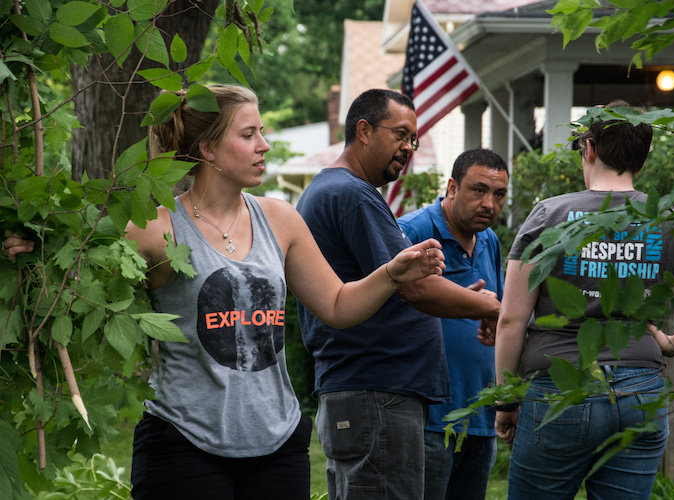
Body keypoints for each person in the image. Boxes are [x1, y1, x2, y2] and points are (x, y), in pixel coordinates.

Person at [4, 84, 447, 499]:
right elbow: (74, 283)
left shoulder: (280, 220)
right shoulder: (156, 229)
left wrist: (391, 274)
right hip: (184, 444)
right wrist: (32, 251)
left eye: (262, 133)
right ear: (208, 149)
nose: (264, 145)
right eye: (249, 134)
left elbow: (335, 304)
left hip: (277, 445)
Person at [494, 100, 674, 500]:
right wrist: (673, 344)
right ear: (641, 158)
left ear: (590, 149)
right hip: (641, 392)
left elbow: (510, 320)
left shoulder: (549, 215)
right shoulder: (668, 219)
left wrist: (506, 400)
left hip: (561, 385)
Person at [295, 89, 502, 500]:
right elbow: (415, 287)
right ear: (364, 130)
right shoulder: (352, 194)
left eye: (415, 139)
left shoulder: (341, 191)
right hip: (377, 393)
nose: (409, 147)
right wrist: (492, 305)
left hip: (371, 392)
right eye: (401, 134)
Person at [398, 148, 508, 500]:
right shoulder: (412, 230)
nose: (489, 203)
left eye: (499, 194)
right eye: (478, 190)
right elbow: (396, 300)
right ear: (452, 188)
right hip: (428, 417)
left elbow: (499, 311)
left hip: (479, 415)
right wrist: (472, 303)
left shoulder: (490, 241)